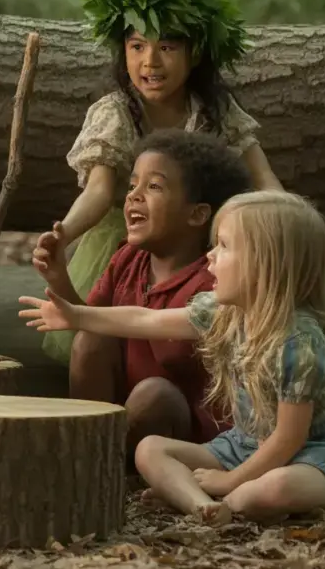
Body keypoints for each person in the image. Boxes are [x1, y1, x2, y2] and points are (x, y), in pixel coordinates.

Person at [19, 191, 325, 526]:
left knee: (272, 489)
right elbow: (147, 319)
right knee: (150, 449)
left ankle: (221, 496)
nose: (210, 256)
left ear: (265, 263)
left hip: (313, 455)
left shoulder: (299, 342)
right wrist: (76, 316)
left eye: (223, 246)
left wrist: (230, 479)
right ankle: (202, 506)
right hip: (243, 445)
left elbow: (288, 438)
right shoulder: (225, 313)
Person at [38, 0, 283, 367]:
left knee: (193, 339)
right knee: (107, 337)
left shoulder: (214, 112)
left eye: (167, 47)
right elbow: (99, 190)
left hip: (195, 242)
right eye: (137, 47)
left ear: (195, 55)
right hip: (127, 243)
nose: (150, 62)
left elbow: (263, 176)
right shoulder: (116, 111)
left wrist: (283, 226)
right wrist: (64, 234)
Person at [34, 129, 251, 458]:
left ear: (197, 214)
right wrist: (58, 278)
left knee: (155, 394)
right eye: (132, 184)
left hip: (189, 434)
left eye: (154, 186)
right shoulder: (127, 259)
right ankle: (87, 451)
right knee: (90, 340)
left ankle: (113, 460)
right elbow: (89, 321)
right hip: (124, 414)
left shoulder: (213, 280)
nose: (133, 196)